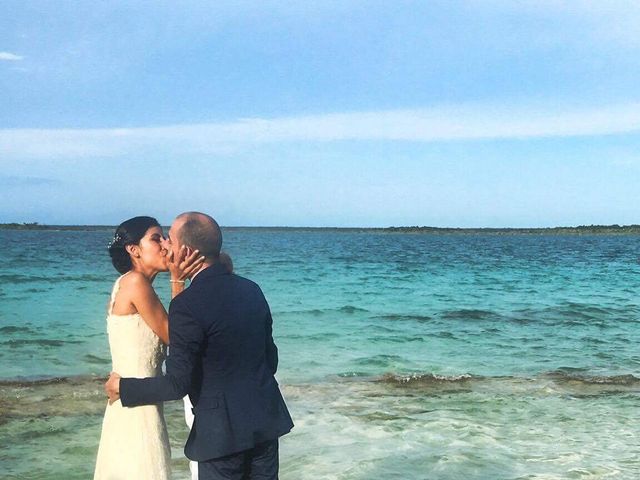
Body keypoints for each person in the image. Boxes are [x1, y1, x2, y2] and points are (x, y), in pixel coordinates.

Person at [105, 212, 294, 480]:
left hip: (220, 437)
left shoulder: (187, 305)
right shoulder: (252, 289)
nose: (166, 246)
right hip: (265, 424)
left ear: (185, 251)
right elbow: (270, 362)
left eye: (168, 239)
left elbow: (177, 384)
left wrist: (123, 387)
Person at [94, 216, 204, 480]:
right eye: (156, 238)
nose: (166, 244)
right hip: (137, 410)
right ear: (134, 250)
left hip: (138, 401)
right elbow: (177, 338)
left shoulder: (133, 283)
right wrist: (178, 281)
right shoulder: (135, 283)